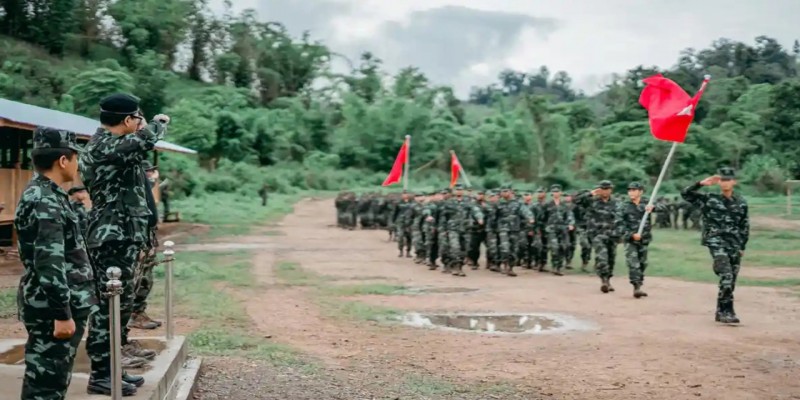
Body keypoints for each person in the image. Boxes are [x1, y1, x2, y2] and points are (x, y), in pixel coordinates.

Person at [79, 93, 169, 395]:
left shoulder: (116, 145)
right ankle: (101, 374)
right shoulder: (105, 145)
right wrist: (156, 123)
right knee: (108, 306)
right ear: (128, 120)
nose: (139, 122)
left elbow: (139, 148)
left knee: (121, 303)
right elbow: (144, 140)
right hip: (110, 237)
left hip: (122, 235)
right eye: (136, 118)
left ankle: (112, 368)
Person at [15, 127, 99, 400]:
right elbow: (49, 263)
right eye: (76, 157)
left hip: (54, 303)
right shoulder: (45, 201)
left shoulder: (47, 194)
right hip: (52, 308)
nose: (77, 164)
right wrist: (62, 314)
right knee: (47, 386)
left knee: (48, 379)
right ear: (63, 160)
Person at [681, 168, 749, 324]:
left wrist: (742, 246)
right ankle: (727, 311)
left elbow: (744, 226)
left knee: (731, 279)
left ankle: (721, 311)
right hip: (715, 241)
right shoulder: (709, 199)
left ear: (734, 181)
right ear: (719, 182)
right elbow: (685, 194)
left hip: (734, 243)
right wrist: (700, 183)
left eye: (728, 180)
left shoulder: (741, 202)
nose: (725, 183)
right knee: (726, 274)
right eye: (722, 180)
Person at [129, 160, 163, 330]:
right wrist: (151, 180)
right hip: (138, 235)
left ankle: (139, 311)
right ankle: (133, 314)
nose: (150, 174)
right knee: (138, 277)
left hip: (147, 234)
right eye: (147, 171)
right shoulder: (136, 184)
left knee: (146, 277)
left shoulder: (144, 184)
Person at [616, 182, 661, 298]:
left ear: (640, 191)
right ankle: (636, 287)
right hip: (630, 240)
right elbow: (619, 224)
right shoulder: (624, 206)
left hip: (644, 238)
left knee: (642, 263)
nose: (631, 192)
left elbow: (664, 208)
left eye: (634, 190)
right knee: (633, 263)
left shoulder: (647, 202)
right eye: (629, 190)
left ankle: (639, 283)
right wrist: (631, 235)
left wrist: (653, 208)